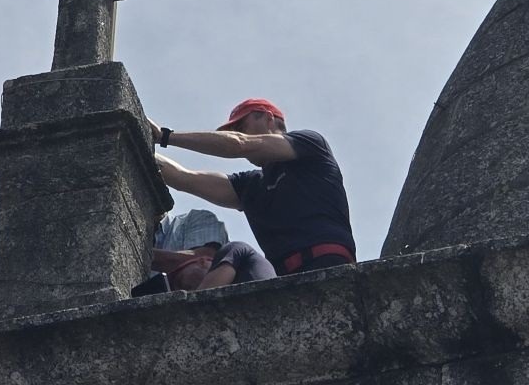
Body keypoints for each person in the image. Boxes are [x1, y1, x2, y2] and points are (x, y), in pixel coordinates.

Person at [149, 98, 358, 275]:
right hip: (283, 279)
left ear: (268, 117)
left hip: (329, 263)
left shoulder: (311, 144)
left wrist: (165, 136)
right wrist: (141, 142)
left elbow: (239, 143)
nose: (236, 133)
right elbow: (183, 178)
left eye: (240, 126)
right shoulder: (250, 185)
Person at [130, 208, 274, 296]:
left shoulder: (194, 220)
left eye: (182, 287)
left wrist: (130, 250)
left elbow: (205, 259)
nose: (181, 294)